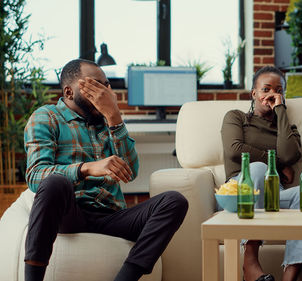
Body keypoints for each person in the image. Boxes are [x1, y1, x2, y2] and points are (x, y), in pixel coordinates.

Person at [23, 59, 188, 281]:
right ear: (70, 92)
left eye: (106, 85)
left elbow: (130, 171)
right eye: (95, 85)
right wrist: (87, 168)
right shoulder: (46, 117)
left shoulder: (108, 122)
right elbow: (36, 175)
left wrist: (114, 116)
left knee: (174, 201)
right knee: (54, 182)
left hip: (112, 215)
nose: (104, 92)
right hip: (70, 213)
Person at [220, 66, 302, 281]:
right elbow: (234, 149)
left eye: (278, 90)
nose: (271, 95)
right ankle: (250, 262)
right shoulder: (236, 118)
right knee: (257, 168)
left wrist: (281, 111)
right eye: (266, 89)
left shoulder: (288, 127)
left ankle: (291, 273)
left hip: (273, 193)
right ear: (254, 93)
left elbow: (289, 153)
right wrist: (273, 162)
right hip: (240, 190)